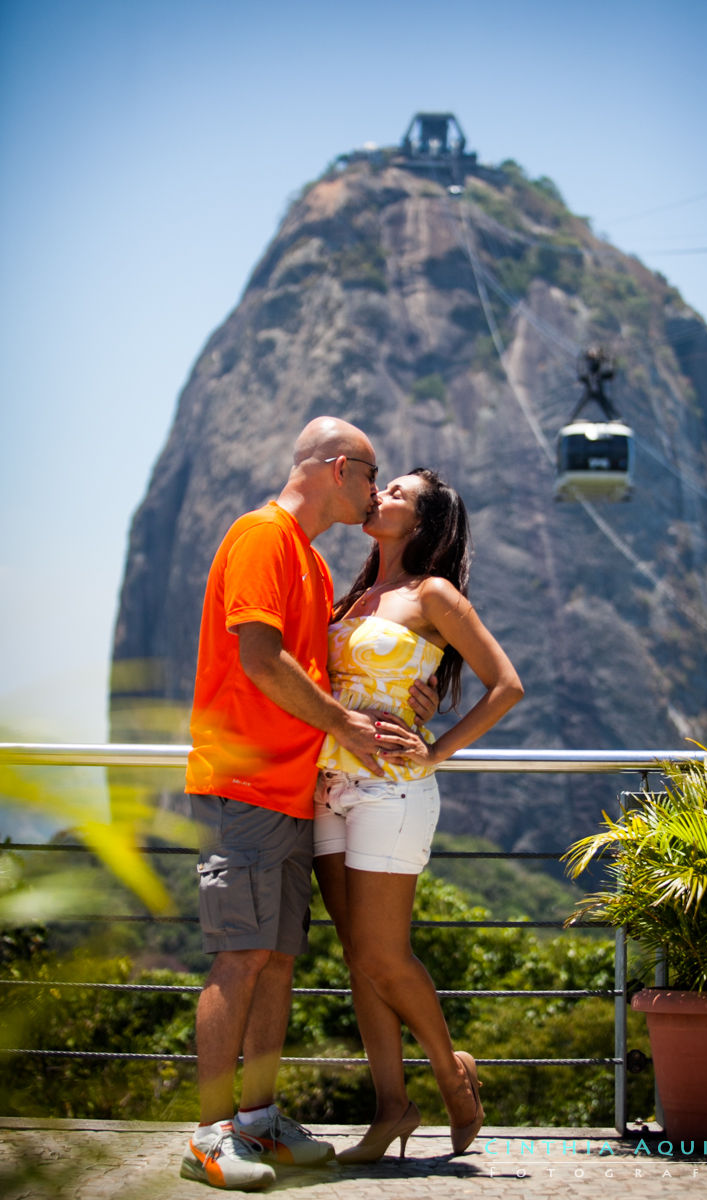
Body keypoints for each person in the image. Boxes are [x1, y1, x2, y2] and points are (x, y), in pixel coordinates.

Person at [181, 418, 437, 1191]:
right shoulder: (261, 537)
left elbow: (334, 670)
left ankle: (257, 1125)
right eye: (371, 474)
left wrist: (414, 694)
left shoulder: (318, 570)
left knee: (279, 960)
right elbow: (261, 658)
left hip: (298, 790)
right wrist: (343, 725)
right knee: (241, 954)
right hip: (245, 782)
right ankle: (208, 1135)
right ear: (338, 468)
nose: (374, 489)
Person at [313, 468, 524, 1163]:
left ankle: (451, 1078)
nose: (382, 496)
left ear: (424, 522)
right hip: (329, 785)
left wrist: (434, 752)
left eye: (400, 493)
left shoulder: (432, 594)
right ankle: (392, 1108)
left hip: (393, 791)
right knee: (359, 960)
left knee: (383, 952)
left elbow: (506, 685)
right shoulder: (353, 596)